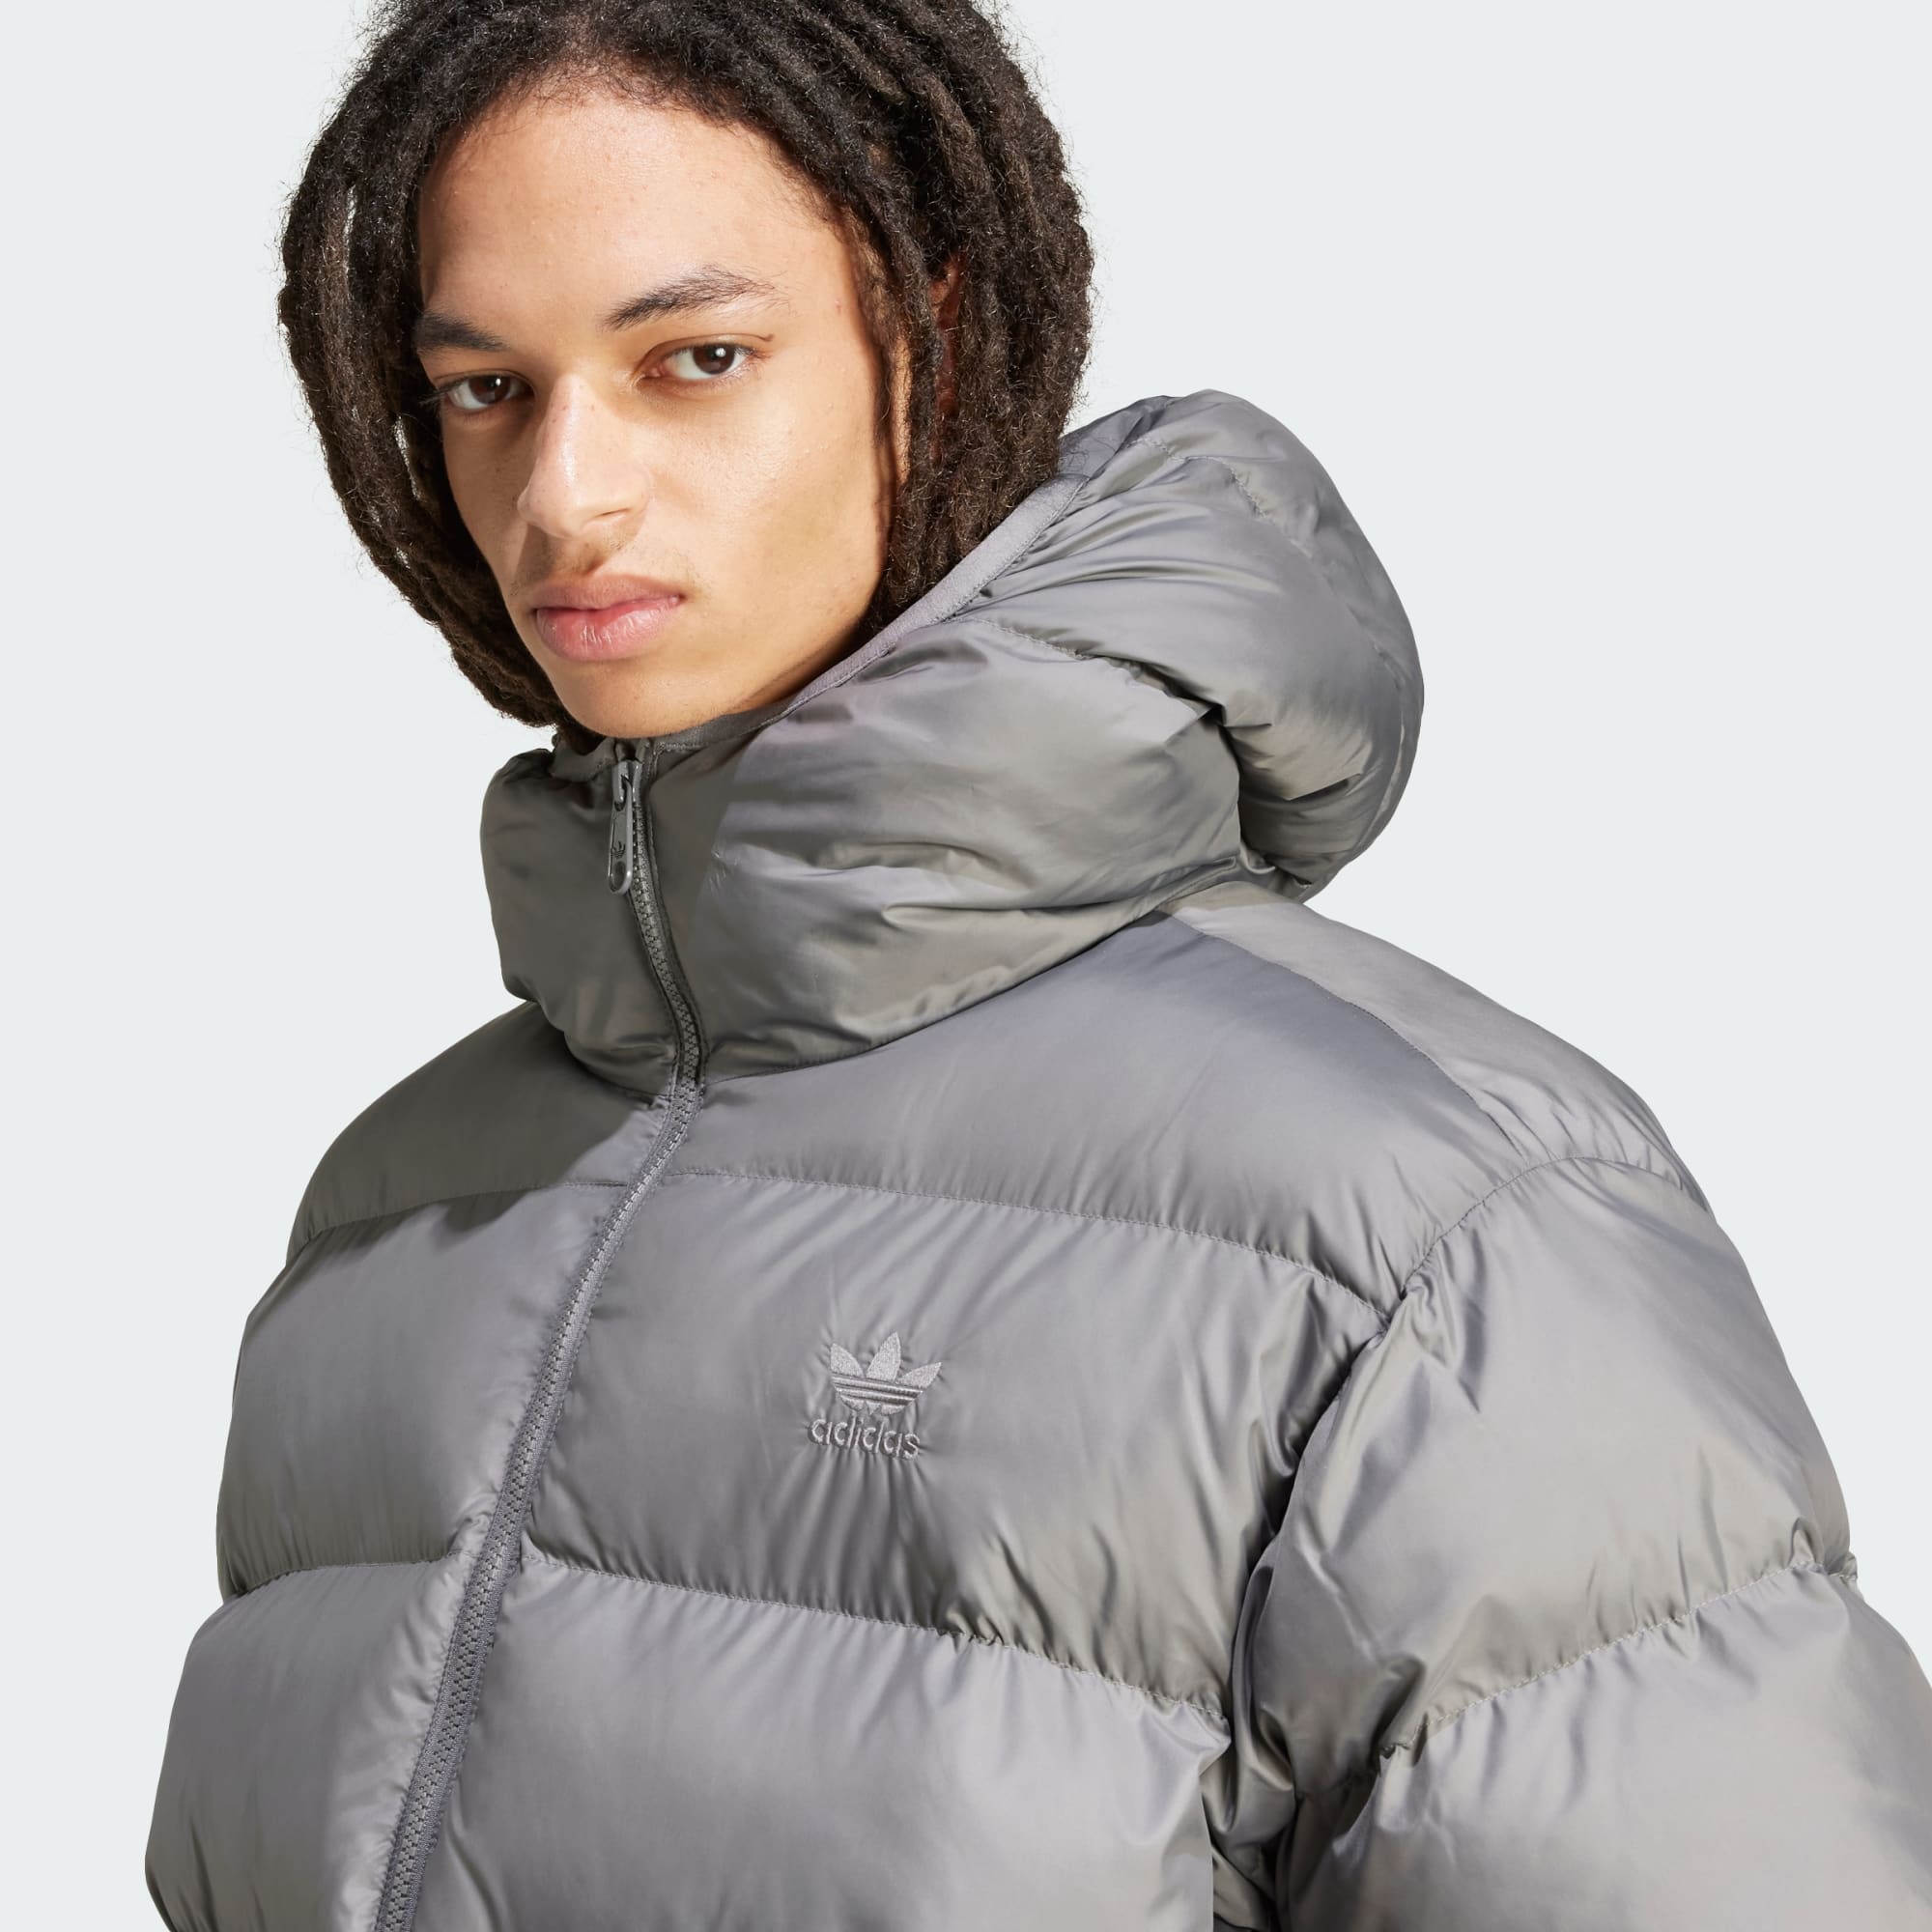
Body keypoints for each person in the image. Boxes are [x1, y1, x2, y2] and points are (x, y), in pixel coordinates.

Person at [145, 2, 1932, 1927]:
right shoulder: (395, 1217)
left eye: (696, 359)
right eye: (488, 386)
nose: (566, 492)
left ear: (935, 332)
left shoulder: (1432, 1229)